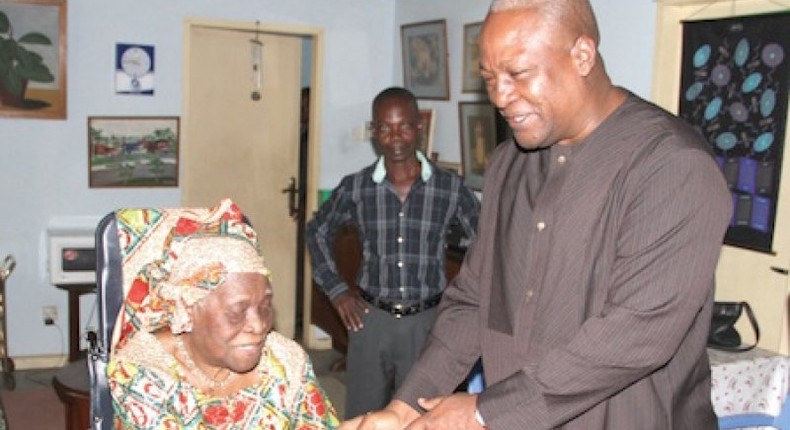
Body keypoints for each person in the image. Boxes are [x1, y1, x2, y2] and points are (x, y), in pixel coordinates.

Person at [342, 1, 731, 429]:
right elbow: (474, 300)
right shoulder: (511, 163)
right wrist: (405, 409)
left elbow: (636, 334)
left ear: (582, 55)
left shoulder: (670, 165)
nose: (500, 97)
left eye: (518, 74)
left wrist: (484, 411)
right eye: (489, 79)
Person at [306, 87, 480, 418]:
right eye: (385, 127)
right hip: (370, 322)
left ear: (419, 128)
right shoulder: (357, 187)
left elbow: (486, 241)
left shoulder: (449, 187)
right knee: (364, 415)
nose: (395, 137)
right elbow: (317, 230)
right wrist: (336, 290)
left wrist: (464, 299)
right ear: (374, 132)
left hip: (428, 325)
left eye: (404, 126)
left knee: (424, 415)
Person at [107, 199, 339, 429]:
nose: (259, 325)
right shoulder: (143, 373)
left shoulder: (286, 359)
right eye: (237, 311)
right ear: (186, 308)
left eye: (265, 306)